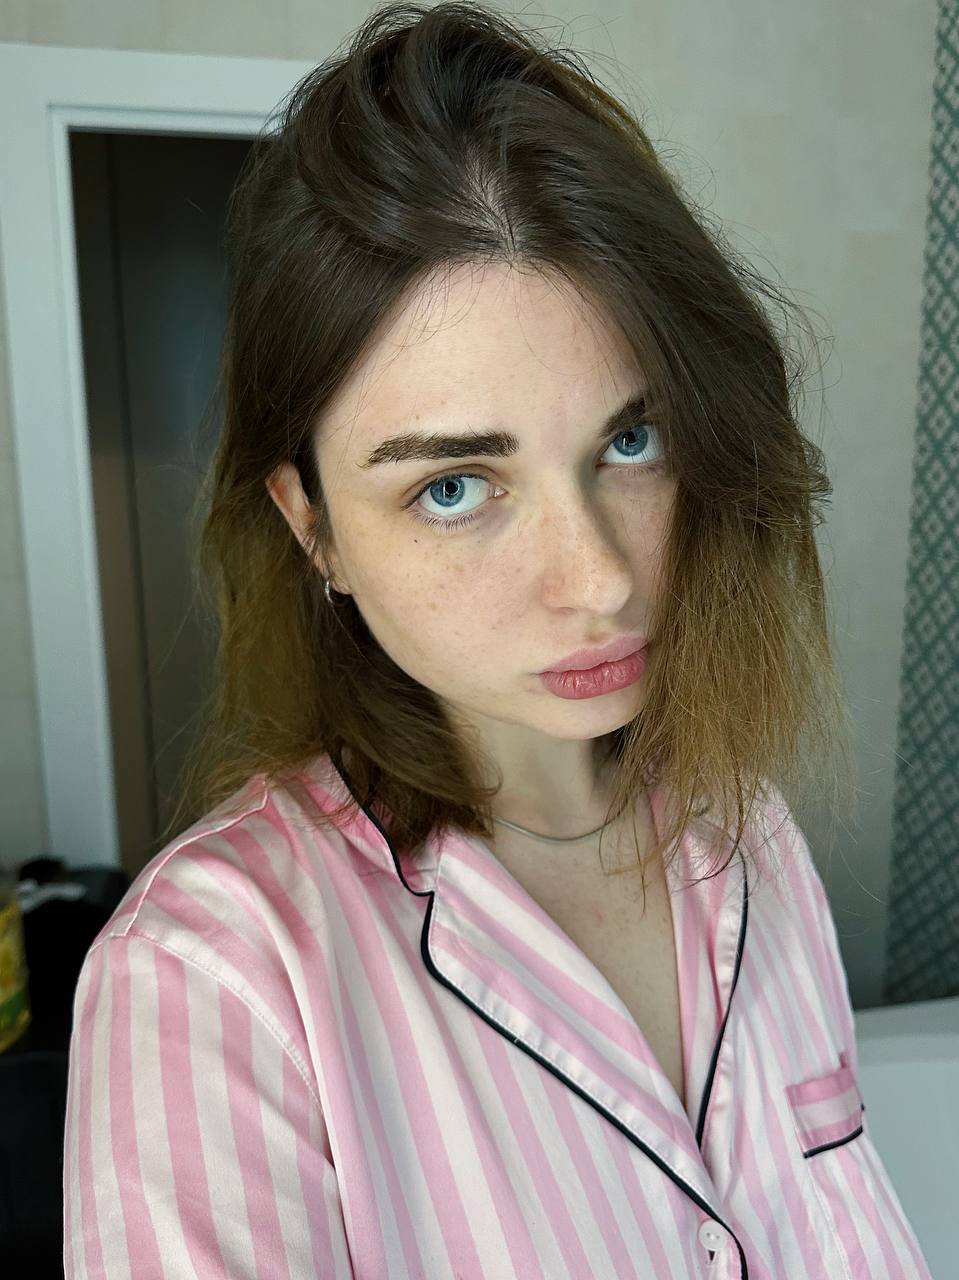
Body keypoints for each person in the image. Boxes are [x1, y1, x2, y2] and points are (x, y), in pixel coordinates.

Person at [62, 3, 933, 1277]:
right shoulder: (213, 977)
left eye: (628, 440)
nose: (598, 578)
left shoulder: (747, 831)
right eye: (453, 487)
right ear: (313, 527)